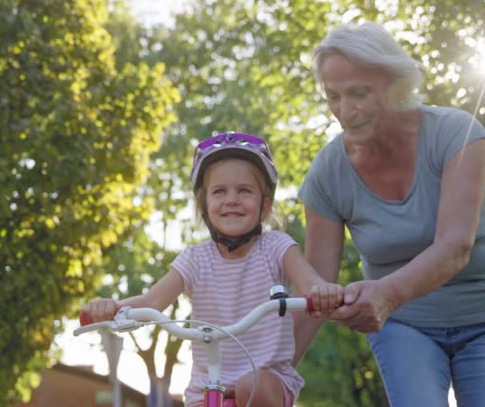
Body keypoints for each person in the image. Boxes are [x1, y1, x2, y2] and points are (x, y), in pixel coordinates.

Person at [294, 21, 485, 406]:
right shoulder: (327, 174)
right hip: (406, 326)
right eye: (333, 96)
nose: (345, 111)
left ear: (397, 87)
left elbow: (455, 246)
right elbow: (315, 286)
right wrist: (269, 371)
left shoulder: (457, 134)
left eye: (359, 94)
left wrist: (385, 295)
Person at [82, 131, 344, 407]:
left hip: (267, 381)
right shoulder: (195, 259)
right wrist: (113, 307)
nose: (232, 199)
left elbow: (310, 283)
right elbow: (152, 302)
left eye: (245, 191)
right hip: (207, 386)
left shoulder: (276, 247)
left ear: (265, 205)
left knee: (250, 385)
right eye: (219, 191)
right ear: (203, 205)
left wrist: (322, 292)